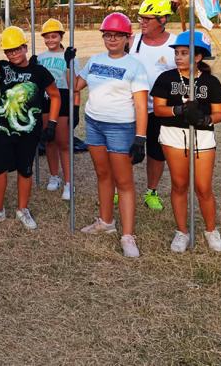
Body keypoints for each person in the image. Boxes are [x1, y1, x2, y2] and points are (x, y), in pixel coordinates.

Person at [76, 13, 148, 258]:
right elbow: (75, 85)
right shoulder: (95, 60)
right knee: (103, 174)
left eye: (117, 35)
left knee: (124, 182)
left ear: (127, 37)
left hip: (121, 128)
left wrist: (141, 137)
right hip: (94, 123)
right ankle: (106, 222)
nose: (112, 39)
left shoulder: (135, 66)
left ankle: (128, 235)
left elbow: (140, 105)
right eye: (107, 34)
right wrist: (70, 63)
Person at [0, 26, 59, 231]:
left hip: (29, 132)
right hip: (3, 129)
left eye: (17, 49)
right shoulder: (4, 68)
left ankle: (22, 209)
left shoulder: (39, 71)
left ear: (25, 47)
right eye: (9, 51)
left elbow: (55, 96)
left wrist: (53, 123)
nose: (13, 54)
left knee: (25, 169)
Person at [151, 31, 221, 252]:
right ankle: (181, 231)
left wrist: (205, 118)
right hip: (173, 135)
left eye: (184, 53)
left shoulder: (210, 82)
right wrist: (179, 109)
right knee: (179, 184)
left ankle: (211, 230)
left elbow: (220, 113)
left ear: (198, 57)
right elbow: (158, 109)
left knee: (203, 188)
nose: (178, 57)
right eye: (176, 53)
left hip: (202, 136)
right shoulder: (166, 78)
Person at [129, 0, 176, 211]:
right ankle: (122, 189)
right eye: (141, 18)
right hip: (132, 108)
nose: (142, 22)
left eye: (148, 19)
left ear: (163, 20)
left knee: (156, 153)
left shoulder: (175, 44)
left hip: (159, 110)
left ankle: (151, 192)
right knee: (124, 150)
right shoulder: (133, 41)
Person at [35, 18, 77, 199]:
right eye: (47, 37)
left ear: (61, 36)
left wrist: (75, 108)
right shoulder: (41, 58)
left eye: (54, 36)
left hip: (63, 99)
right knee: (49, 140)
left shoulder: (68, 56)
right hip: (45, 99)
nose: (50, 40)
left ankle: (68, 182)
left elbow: (73, 85)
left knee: (63, 142)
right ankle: (54, 176)